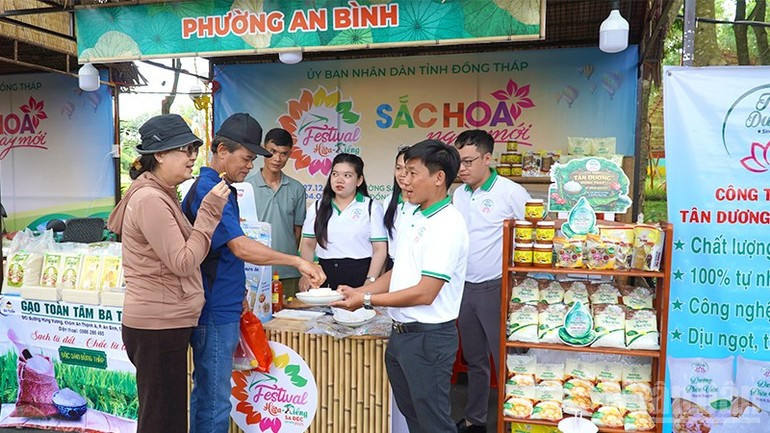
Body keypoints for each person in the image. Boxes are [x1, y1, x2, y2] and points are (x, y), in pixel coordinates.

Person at [182, 113, 325, 433]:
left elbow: (220, 253)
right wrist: (298, 261)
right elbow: (240, 247)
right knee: (215, 396)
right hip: (214, 309)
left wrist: (241, 294)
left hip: (224, 303)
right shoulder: (210, 190)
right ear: (221, 151)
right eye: (246, 158)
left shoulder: (221, 187)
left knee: (208, 390)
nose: (250, 165)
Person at [333, 140, 469, 433]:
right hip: (402, 336)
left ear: (438, 178)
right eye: (403, 171)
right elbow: (400, 273)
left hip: (428, 340)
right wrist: (358, 291)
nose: (403, 180)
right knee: (414, 418)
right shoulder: (414, 215)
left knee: (434, 423)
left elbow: (425, 291)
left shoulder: (447, 224)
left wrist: (367, 300)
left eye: (412, 172)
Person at [106, 114, 230, 433]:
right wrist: (209, 212)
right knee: (163, 420)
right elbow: (184, 261)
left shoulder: (159, 193)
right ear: (159, 155)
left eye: (193, 148)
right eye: (184, 148)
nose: (192, 156)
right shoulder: (150, 199)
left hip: (163, 323)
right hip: (157, 326)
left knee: (167, 415)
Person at [452, 130, 531, 433]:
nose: (462, 169)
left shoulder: (510, 192)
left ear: (488, 158)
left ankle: (515, 421)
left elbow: (534, 231)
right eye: (458, 162)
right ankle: (475, 419)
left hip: (496, 286)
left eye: (469, 161)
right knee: (475, 360)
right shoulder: (458, 194)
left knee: (506, 360)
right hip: (463, 288)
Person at [299, 153, 387, 291]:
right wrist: (307, 275)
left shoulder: (370, 208)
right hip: (325, 276)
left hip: (360, 275)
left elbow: (380, 249)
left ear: (359, 180)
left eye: (347, 175)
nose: (339, 180)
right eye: (335, 174)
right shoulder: (317, 207)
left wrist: (370, 281)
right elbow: (308, 245)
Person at [245, 128, 307, 298]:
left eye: (284, 153)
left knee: (288, 320)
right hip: (254, 271)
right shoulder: (245, 187)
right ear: (263, 148)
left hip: (288, 272)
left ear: (290, 154)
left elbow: (297, 231)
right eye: (272, 152)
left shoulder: (297, 189)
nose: (277, 159)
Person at [381, 145, 418, 272]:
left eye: (408, 170)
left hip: (415, 267)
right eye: (398, 168)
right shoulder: (388, 201)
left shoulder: (422, 203)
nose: (402, 174)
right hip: (393, 267)